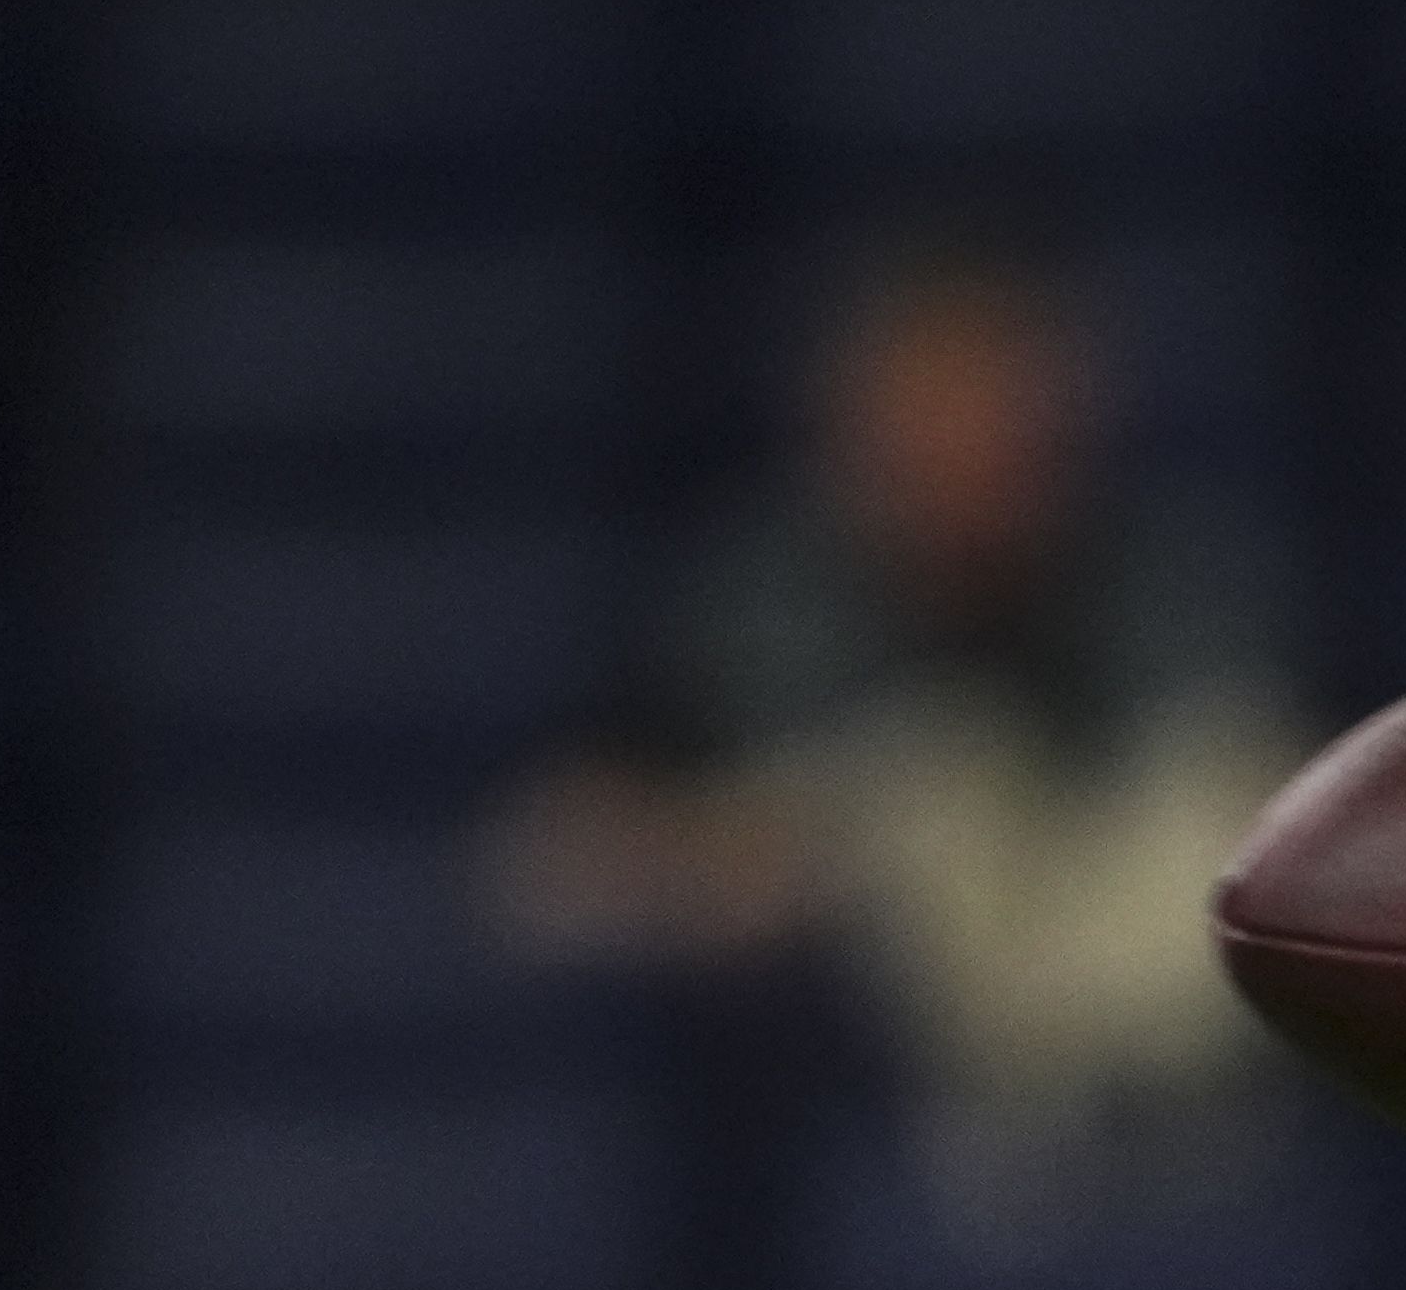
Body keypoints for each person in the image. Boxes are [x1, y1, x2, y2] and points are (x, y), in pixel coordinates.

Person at [488, 234, 1303, 1215]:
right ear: (851, 414)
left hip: (1169, 1103)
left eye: (996, 403)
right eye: (927, 404)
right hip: (841, 1109)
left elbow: (1282, 814)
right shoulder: (751, 606)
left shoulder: (1178, 589)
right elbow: (547, 864)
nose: (962, 445)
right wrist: (732, 869)